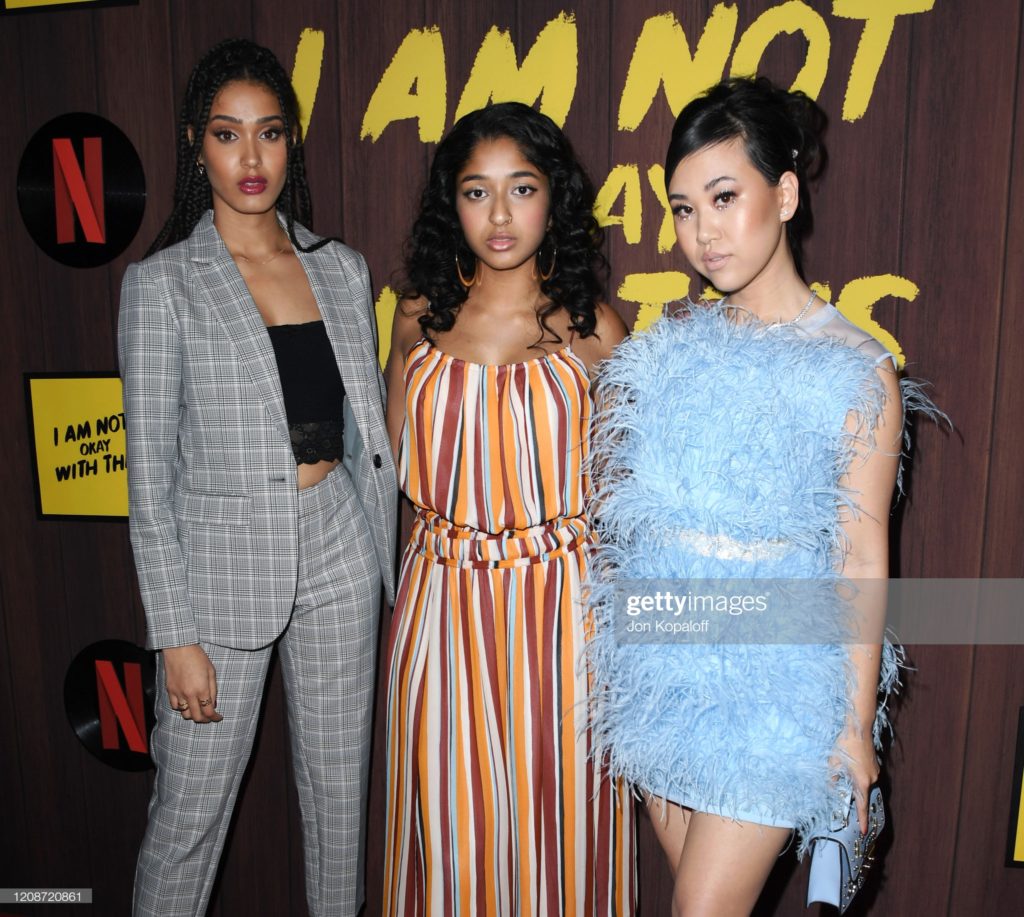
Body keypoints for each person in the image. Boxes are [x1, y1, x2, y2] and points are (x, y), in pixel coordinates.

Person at [586, 76, 938, 916]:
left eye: (723, 197)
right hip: (663, 669)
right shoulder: (669, 349)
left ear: (783, 193)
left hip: (780, 684)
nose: (702, 232)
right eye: (681, 208)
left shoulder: (857, 367)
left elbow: (858, 554)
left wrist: (854, 730)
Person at [118, 38, 396, 917]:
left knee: (340, 812)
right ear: (197, 146)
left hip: (340, 547)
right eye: (228, 135)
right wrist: (175, 635)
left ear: (291, 145)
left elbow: (362, 436)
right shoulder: (164, 286)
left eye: (270, 134)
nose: (251, 158)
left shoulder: (341, 271)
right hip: (220, 577)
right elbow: (147, 482)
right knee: (188, 818)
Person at [381, 101, 636, 915]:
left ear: (553, 198)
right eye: (476, 191)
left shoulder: (595, 331)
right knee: (449, 836)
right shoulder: (416, 315)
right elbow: (396, 467)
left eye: (521, 188)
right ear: (448, 204)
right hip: (442, 602)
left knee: (562, 834)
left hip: (562, 615)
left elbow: (633, 493)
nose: (498, 214)